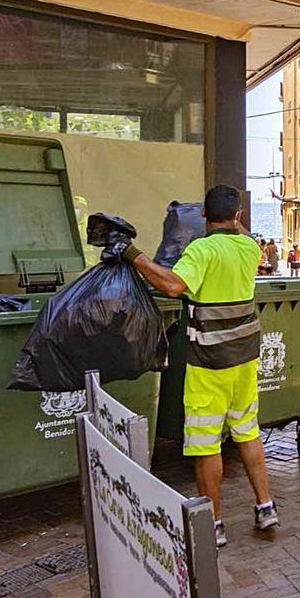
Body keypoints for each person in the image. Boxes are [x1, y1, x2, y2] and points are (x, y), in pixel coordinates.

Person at [124, 185, 278, 547]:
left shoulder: (201, 250)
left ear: (205, 217)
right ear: (238, 216)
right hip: (244, 357)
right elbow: (236, 231)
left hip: (210, 362)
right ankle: (266, 506)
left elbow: (175, 285)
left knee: (206, 444)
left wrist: (135, 256)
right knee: (247, 430)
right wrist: (229, 220)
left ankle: (215, 524)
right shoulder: (250, 247)